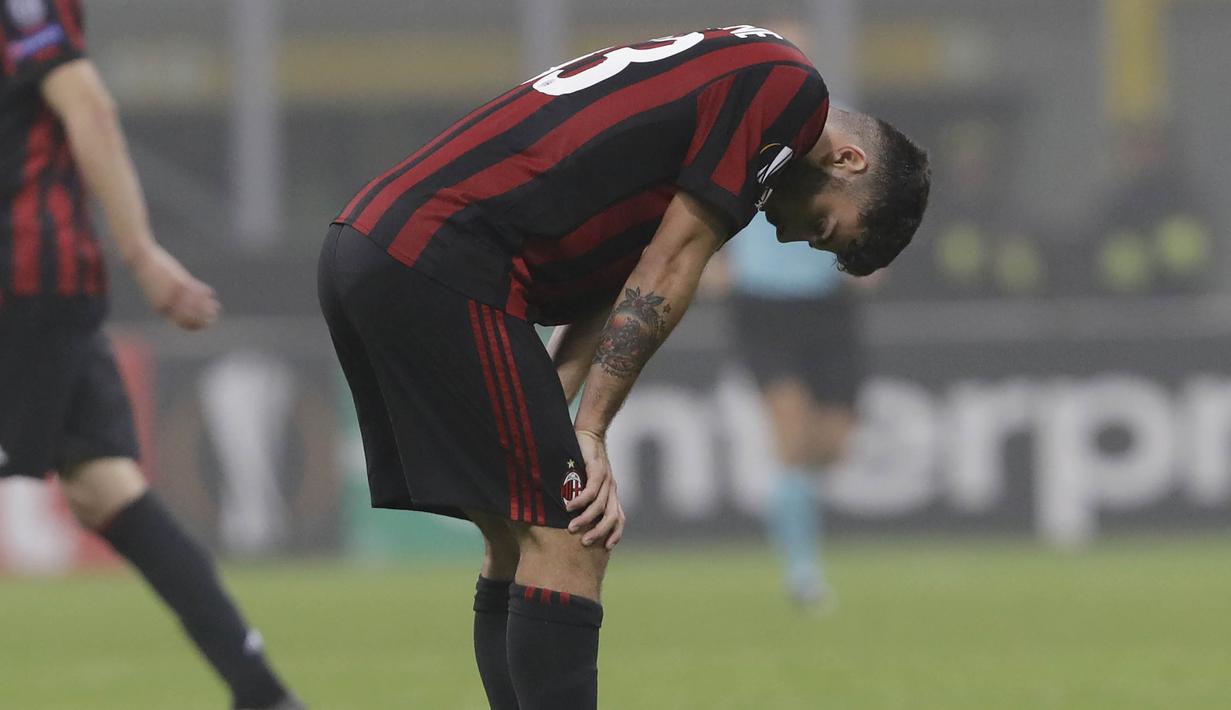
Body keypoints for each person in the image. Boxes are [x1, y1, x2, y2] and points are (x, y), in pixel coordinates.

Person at [319, 24, 929, 710]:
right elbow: (667, 268)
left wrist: (566, 408)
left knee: (517, 535)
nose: (790, 235)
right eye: (822, 227)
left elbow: (626, 270)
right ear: (847, 160)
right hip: (439, 256)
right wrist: (592, 430)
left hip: (373, 242)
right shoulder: (787, 93)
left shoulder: (740, 83)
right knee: (572, 534)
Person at [0, 3, 301, 708]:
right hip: (35, 274)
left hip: (32, 275)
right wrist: (140, 252)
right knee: (103, 485)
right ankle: (261, 692)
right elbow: (87, 103)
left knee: (104, 483)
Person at [727, 212, 867, 609]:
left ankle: (791, 506)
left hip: (828, 298)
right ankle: (802, 573)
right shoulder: (751, 152)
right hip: (763, 298)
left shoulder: (838, 152)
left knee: (832, 444)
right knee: (792, 433)